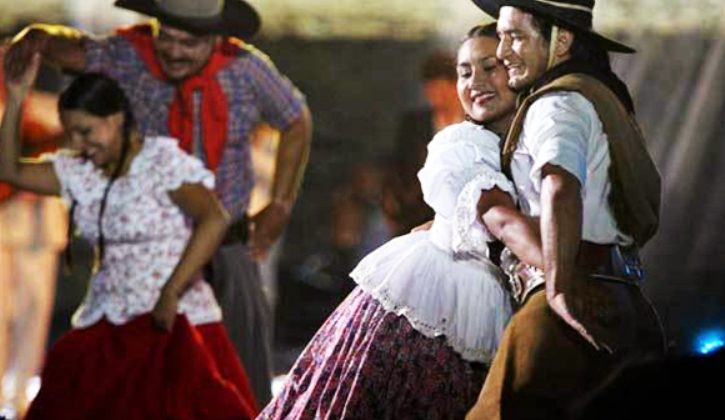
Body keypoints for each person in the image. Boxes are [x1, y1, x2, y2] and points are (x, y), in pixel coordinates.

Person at [5, 0, 313, 405]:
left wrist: (280, 204)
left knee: (238, 383)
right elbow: (72, 47)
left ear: (215, 37)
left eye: (190, 42)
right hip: (147, 258)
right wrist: (36, 39)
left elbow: (296, 119)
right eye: (167, 36)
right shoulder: (128, 56)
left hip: (226, 247)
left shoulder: (245, 68)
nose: (175, 50)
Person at [259, 24, 538, 419]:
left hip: (483, 290)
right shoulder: (462, 142)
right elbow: (497, 216)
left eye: (490, 67)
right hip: (434, 292)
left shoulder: (524, 141)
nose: (475, 82)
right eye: (464, 72)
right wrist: (558, 268)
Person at [0, 58, 257, 418]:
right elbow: (8, 168)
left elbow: (213, 218)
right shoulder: (78, 171)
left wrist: (171, 290)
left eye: (86, 131)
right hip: (108, 318)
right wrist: (16, 97)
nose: (78, 143)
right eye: (70, 133)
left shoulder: (159, 162)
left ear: (116, 120)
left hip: (172, 319)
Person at [465, 1, 666, 419]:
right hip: (626, 301)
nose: (502, 51)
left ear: (563, 41)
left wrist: (557, 290)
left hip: (568, 304)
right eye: (501, 36)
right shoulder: (600, 95)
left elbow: (559, 184)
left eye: (516, 36)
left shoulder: (555, 103)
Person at [383, 51, 464, 236]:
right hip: (416, 212)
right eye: (430, 88)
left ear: (455, 87)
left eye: (441, 88)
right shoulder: (413, 124)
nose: (435, 95)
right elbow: (398, 166)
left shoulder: (472, 122)